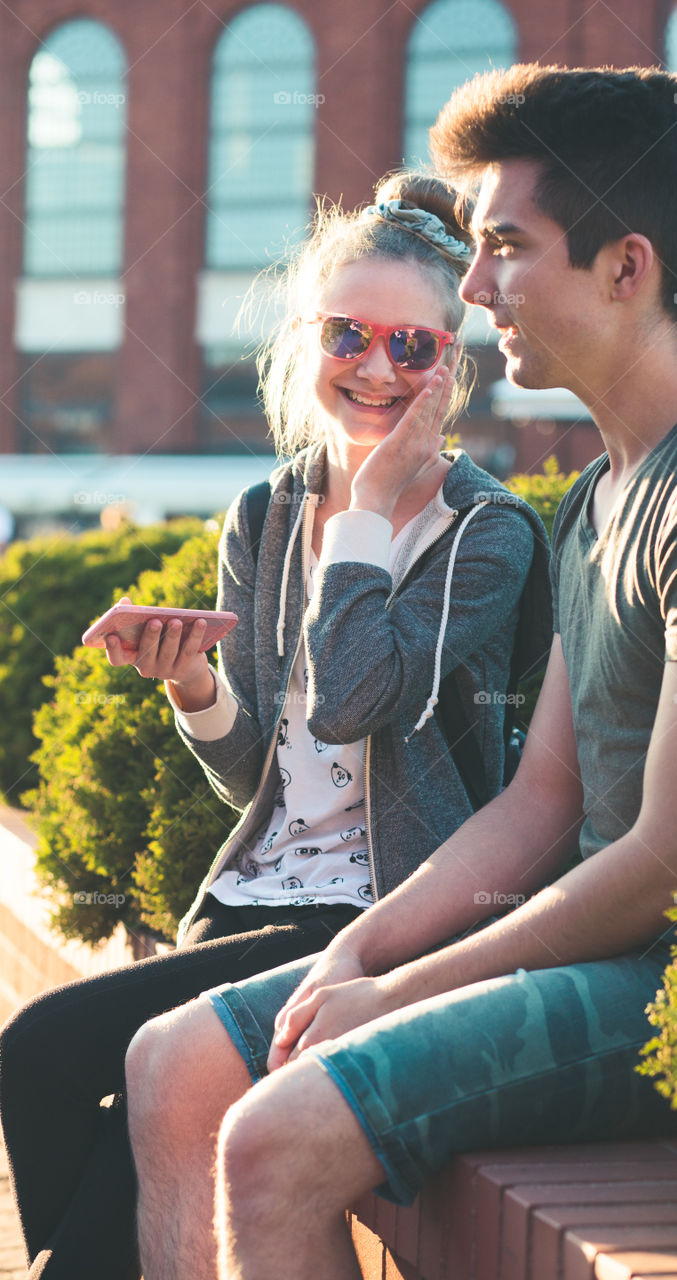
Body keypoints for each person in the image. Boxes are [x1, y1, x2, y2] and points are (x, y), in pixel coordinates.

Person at [125, 64, 677, 1280]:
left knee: (271, 1139)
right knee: (171, 1063)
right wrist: (360, 953)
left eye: (505, 247)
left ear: (624, 267)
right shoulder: (605, 491)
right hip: (597, 943)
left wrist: (402, 987)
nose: (473, 289)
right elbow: (542, 803)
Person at [0, 170, 553, 1280]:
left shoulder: (485, 532)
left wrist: (363, 505)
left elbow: (354, 696)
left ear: (456, 361)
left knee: (54, 1055)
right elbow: (263, 771)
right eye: (349, 333)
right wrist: (195, 688)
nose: (376, 366)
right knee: (53, 1077)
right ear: (308, 338)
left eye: (414, 346)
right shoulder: (261, 514)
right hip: (254, 900)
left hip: (387, 917)